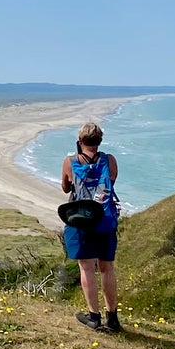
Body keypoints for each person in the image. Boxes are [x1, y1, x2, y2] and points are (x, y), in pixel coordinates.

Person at [61, 121, 121, 333]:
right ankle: (112, 317)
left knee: (86, 268)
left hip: (82, 220)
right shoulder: (109, 160)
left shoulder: (70, 162)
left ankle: (94, 316)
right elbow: (111, 180)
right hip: (105, 219)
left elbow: (66, 186)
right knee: (107, 268)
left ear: (80, 141)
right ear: (100, 141)